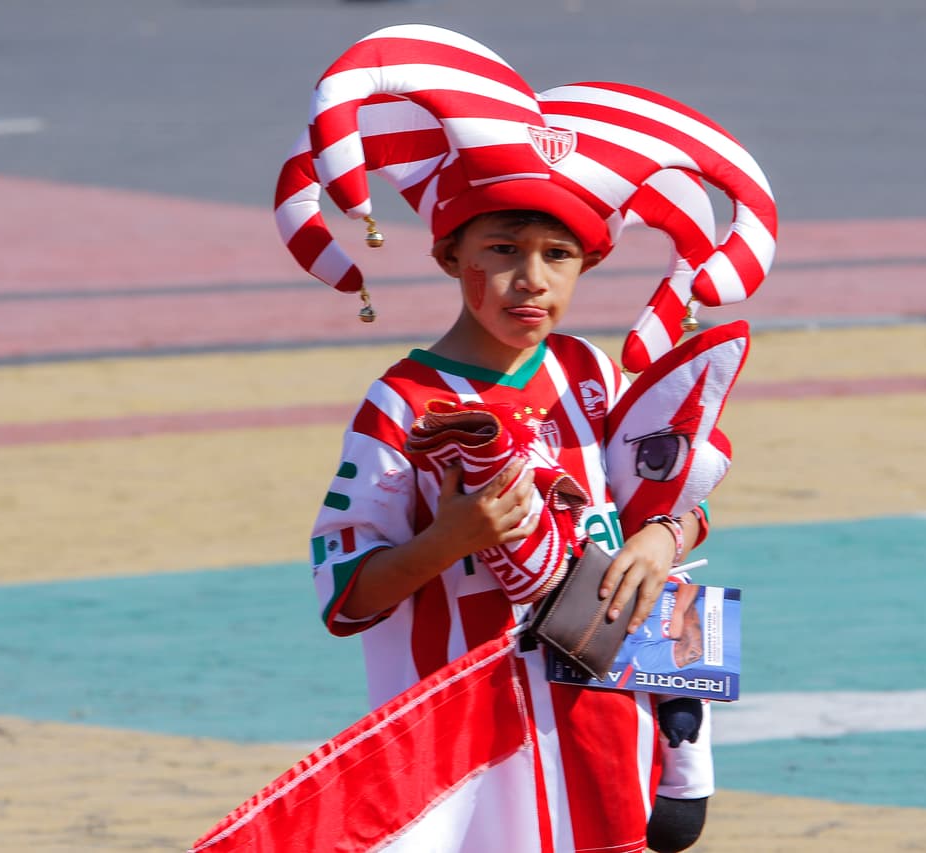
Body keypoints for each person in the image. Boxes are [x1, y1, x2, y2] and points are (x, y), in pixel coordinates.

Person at [283, 24, 777, 853]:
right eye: (502, 250)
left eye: (558, 255)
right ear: (450, 255)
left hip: (595, 728)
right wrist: (452, 539)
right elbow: (347, 593)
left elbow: (670, 498)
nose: (531, 279)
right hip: (460, 753)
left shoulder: (595, 373)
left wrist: (662, 535)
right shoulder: (402, 402)